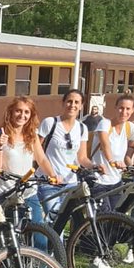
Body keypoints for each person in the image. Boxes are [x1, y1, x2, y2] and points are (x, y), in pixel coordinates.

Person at [0, 97, 60, 250]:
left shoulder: (32, 136)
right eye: (18, 111)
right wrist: (0, 147)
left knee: (40, 238)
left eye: (27, 112)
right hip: (6, 194)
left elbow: (42, 159)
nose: (22, 115)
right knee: (7, 242)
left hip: (27, 193)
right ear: (11, 112)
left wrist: (53, 175)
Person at [36, 89, 93, 218]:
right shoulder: (50, 123)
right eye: (69, 101)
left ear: (81, 106)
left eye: (76, 102)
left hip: (71, 184)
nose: (72, 105)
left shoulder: (82, 128)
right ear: (63, 103)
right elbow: (36, 151)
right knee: (54, 221)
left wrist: (94, 166)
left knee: (70, 220)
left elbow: (82, 157)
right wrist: (50, 173)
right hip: (49, 183)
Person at [90, 94, 134, 209]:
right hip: (99, 180)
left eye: (128, 109)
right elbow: (105, 144)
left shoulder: (129, 127)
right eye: (121, 108)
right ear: (115, 108)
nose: (124, 112)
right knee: (104, 219)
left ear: (132, 110)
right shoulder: (105, 124)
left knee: (117, 218)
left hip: (116, 181)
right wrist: (113, 161)